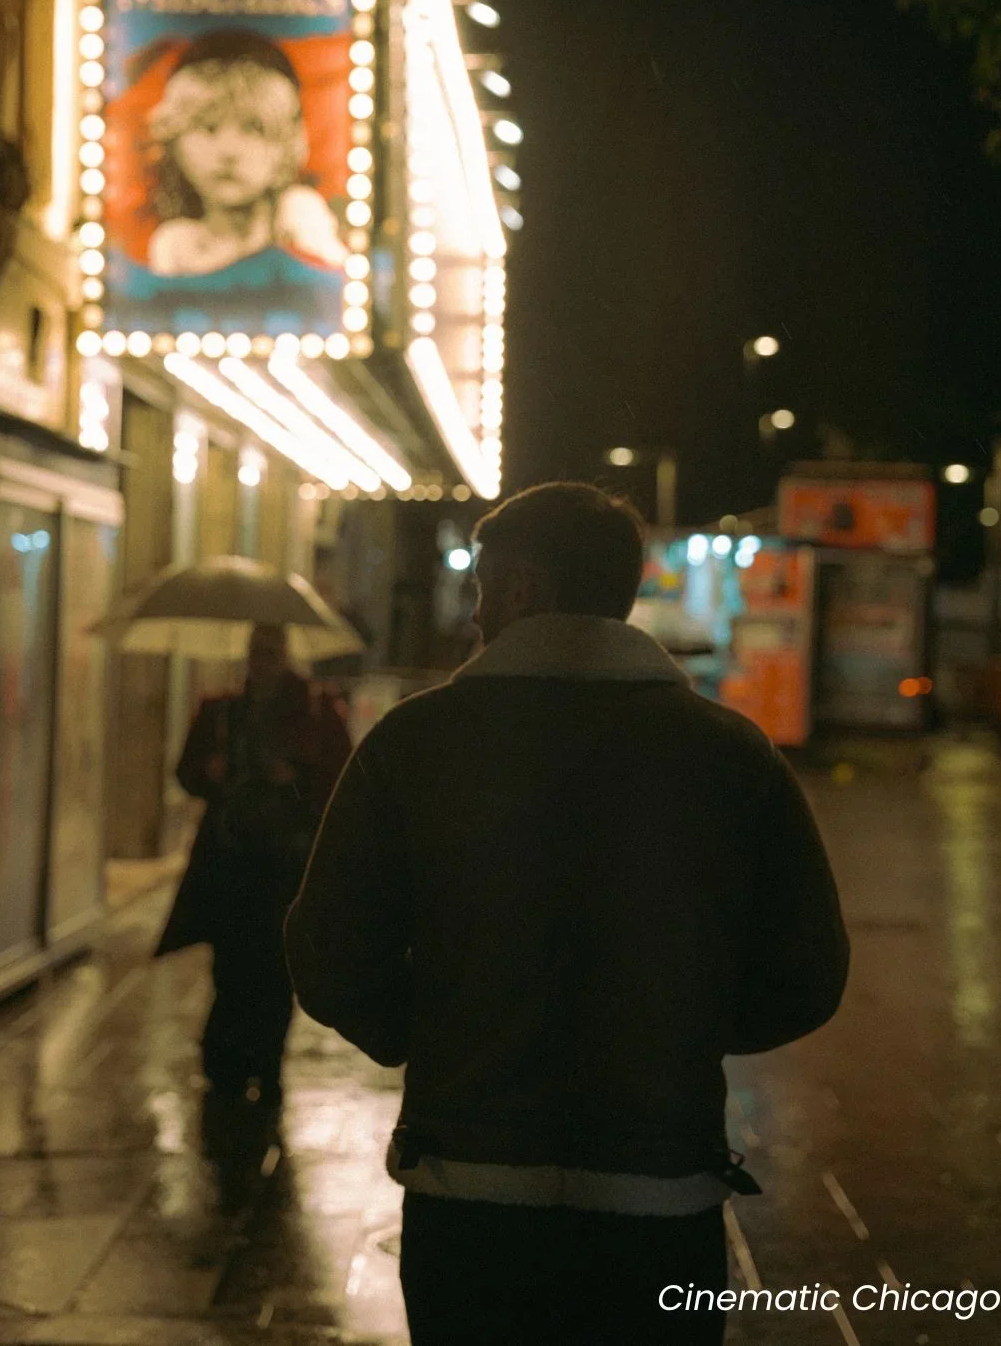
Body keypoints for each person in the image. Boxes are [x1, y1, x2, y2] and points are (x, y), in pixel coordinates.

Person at [284, 482, 849, 1344]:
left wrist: (425, 1031)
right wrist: (681, 1032)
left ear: (521, 589)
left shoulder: (415, 742)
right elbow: (807, 970)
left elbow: (327, 949)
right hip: (661, 1196)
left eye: (480, 591)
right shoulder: (729, 756)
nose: (474, 618)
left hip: (468, 1193)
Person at [157, 623, 351, 1104]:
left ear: (285, 653)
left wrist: (293, 778)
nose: (261, 658)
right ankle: (224, 1064)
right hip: (230, 859)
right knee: (230, 966)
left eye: (271, 649)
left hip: (284, 864)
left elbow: (341, 780)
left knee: (275, 968)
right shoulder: (221, 710)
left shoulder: (316, 709)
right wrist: (211, 770)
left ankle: (264, 1064)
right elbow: (187, 773)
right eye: (255, 649)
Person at [146, 29, 346, 277]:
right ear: (174, 140)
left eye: (254, 128)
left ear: (287, 144)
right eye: (208, 127)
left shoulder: (301, 218)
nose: (228, 151)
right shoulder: (176, 245)